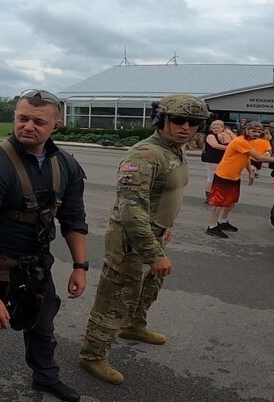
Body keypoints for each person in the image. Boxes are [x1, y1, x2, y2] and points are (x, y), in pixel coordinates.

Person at [0, 89, 88, 402]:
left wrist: (80, 265)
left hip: (36, 264)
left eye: (39, 121)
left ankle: (45, 377)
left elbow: (73, 218)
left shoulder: (66, 164)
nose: (28, 126)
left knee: (43, 324)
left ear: (56, 124)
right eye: (22, 118)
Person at [78, 94, 211, 384]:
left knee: (149, 287)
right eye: (178, 120)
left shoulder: (174, 150)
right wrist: (154, 252)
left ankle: (134, 326)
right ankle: (92, 356)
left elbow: (160, 196)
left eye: (194, 122)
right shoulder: (145, 154)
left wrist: (163, 229)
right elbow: (130, 207)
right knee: (116, 298)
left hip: (153, 233)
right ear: (161, 119)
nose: (186, 127)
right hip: (131, 241)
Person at [204, 121, 274, 238]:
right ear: (247, 130)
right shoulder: (240, 141)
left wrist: (250, 171)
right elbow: (259, 157)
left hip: (234, 175)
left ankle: (223, 221)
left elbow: (246, 157)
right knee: (219, 202)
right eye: (253, 131)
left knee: (231, 201)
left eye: (259, 132)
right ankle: (212, 226)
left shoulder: (248, 142)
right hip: (224, 174)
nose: (256, 134)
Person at [200, 120, 234, 201]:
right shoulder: (211, 136)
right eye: (214, 128)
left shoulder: (224, 135)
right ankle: (209, 195)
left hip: (221, 158)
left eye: (218, 128)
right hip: (212, 158)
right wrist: (230, 148)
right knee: (211, 177)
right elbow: (215, 145)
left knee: (220, 178)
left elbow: (235, 140)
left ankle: (217, 195)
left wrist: (229, 133)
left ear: (223, 128)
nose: (216, 129)